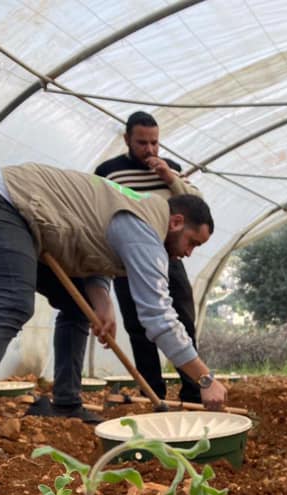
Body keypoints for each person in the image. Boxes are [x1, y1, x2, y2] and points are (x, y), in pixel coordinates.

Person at [0, 162, 227, 441]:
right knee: (13, 302)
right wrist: (205, 378)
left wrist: (102, 298)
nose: (189, 253)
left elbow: (90, 238)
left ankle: (66, 402)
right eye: (192, 242)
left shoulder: (137, 213)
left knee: (76, 307)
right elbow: (158, 316)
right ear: (177, 222)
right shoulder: (145, 227)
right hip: (3, 200)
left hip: (26, 212)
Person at [93, 111, 203, 404]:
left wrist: (169, 177)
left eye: (155, 142)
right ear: (127, 139)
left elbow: (196, 206)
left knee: (183, 320)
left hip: (168, 259)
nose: (150, 149)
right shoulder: (108, 171)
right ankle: (153, 393)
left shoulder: (172, 170)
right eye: (142, 143)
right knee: (139, 327)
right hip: (125, 262)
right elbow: (97, 208)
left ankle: (194, 390)